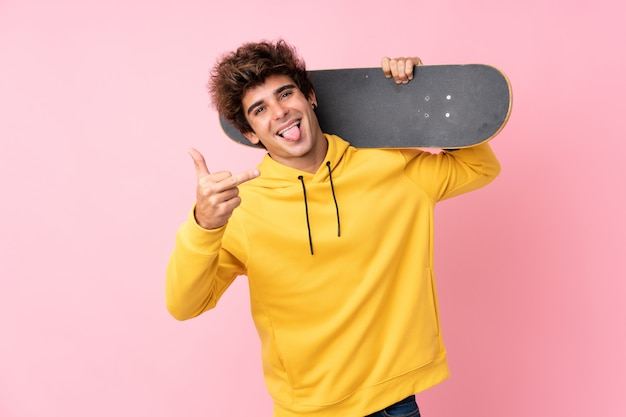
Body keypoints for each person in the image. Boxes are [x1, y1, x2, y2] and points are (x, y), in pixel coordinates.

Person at [166, 39, 500, 417]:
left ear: (310, 97)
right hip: (307, 410)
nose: (279, 112)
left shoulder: (389, 166)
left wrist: (425, 98)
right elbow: (184, 305)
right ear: (250, 134)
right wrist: (203, 225)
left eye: (285, 93)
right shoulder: (242, 209)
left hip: (394, 401)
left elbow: (480, 167)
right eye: (260, 109)